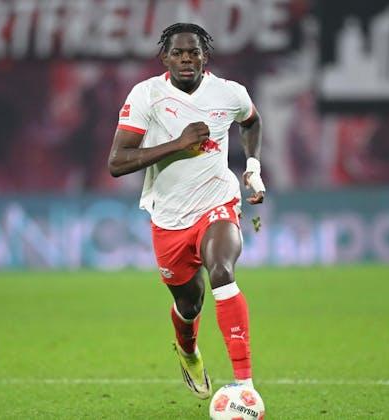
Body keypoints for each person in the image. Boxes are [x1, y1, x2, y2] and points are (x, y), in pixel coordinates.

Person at [108, 23, 265, 399]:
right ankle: (188, 350)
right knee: (189, 303)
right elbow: (117, 162)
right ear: (164, 57)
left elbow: (251, 121)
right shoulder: (147, 95)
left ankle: (244, 386)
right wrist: (178, 144)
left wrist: (253, 167)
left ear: (204, 56)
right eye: (177, 53)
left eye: (193, 52)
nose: (186, 59)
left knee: (222, 272)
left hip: (217, 202)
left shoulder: (229, 93)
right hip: (169, 217)